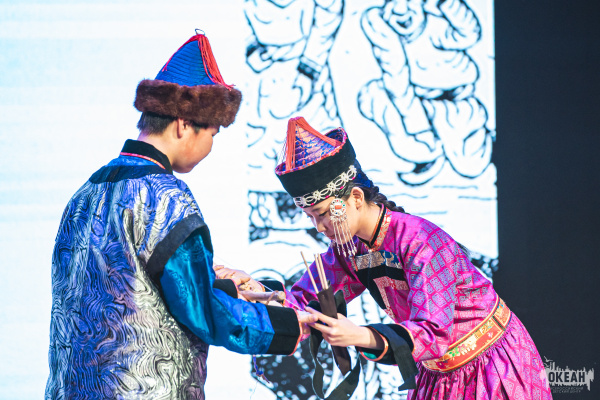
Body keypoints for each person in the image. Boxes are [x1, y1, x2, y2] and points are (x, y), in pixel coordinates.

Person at [45, 33, 316, 400]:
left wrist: (221, 283)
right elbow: (200, 308)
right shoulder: (166, 198)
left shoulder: (86, 192)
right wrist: (284, 324)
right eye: (213, 133)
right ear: (184, 123)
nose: (211, 146)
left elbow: (128, 291)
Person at [225, 116, 552, 399]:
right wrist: (253, 290)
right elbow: (304, 300)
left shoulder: (421, 241)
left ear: (355, 197)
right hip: (437, 374)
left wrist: (359, 335)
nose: (319, 227)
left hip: (489, 366)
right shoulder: (349, 249)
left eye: (323, 214)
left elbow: (433, 331)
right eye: (311, 217)